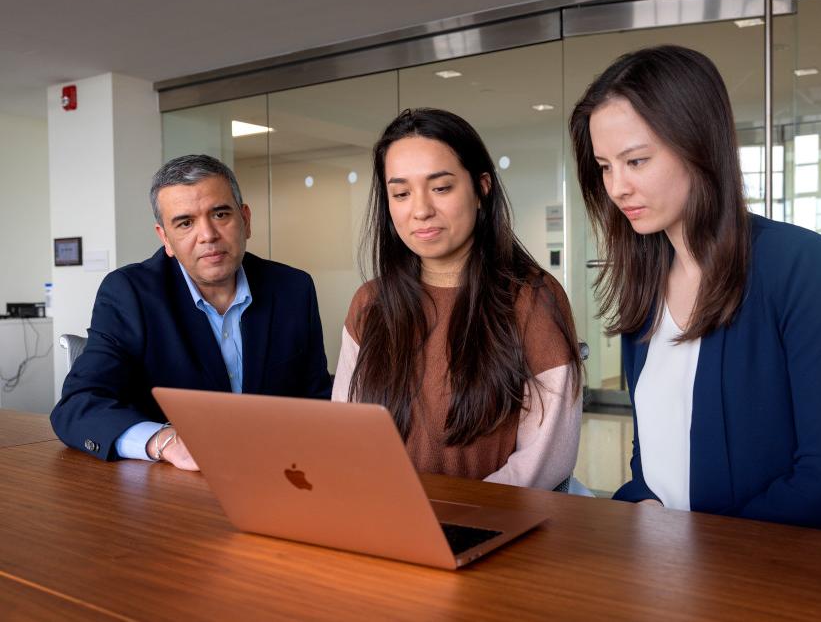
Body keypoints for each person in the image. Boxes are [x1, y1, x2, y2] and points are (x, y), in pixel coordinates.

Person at [569, 45, 821, 535]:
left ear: (698, 145)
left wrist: (702, 552)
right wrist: (643, 503)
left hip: (789, 570)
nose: (617, 187)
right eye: (605, 166)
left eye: (636, 161)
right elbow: (652, 451)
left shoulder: (800, 264)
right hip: (674, 568)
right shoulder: (646, 280)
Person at [332, 108, 582, 490]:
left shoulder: (532, 299)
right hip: (386, 519)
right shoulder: (371, 303)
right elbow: (346, 433)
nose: (420, 210)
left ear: (482, 188)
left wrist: (459, 516)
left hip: (493, 525)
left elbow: (546, 460)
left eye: (441, 187)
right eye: (400, 193)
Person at [51, 154, 333, 470]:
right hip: (174, 486)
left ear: (246, 220)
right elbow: (78, 406)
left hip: (277, 473)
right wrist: (164, 441)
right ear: (165, 238)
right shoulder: (129, 294)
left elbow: (316, 399)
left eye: (221, 214)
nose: (208, 235)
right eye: (185, 223)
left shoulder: (292, 288)